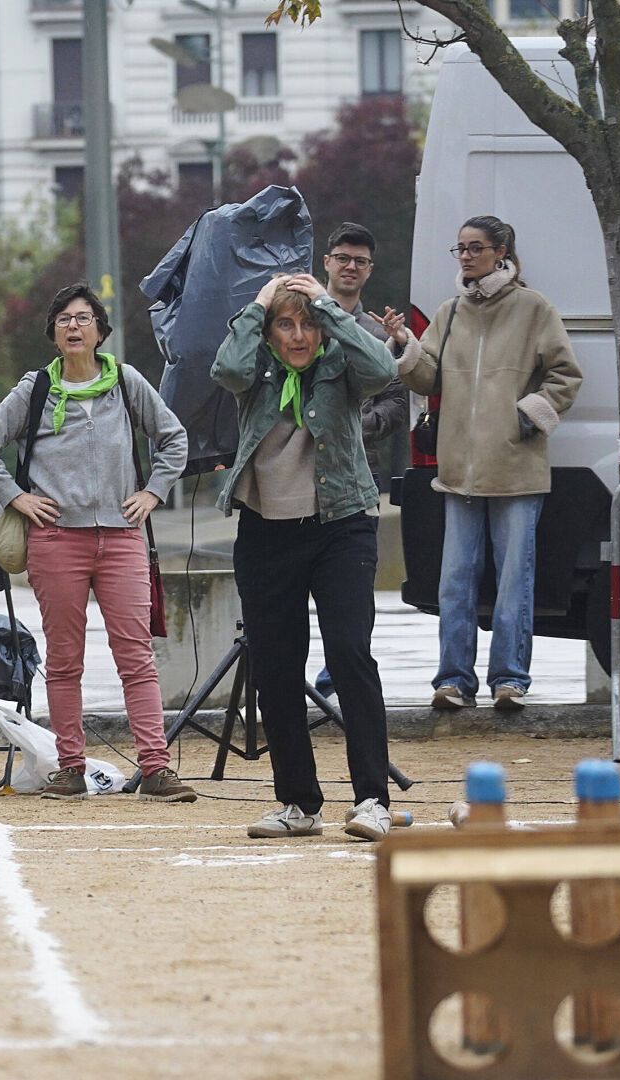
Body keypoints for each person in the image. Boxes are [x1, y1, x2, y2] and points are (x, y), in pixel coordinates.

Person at [0, 283, 195, 803]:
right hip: (55, 540)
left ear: (100, 331)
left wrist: (154, 491)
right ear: (52, 332)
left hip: (122, 537)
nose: (74, 326)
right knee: (65, 659)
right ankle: (69, 766)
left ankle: (156, 767)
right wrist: (17, 497)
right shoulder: (35, 389)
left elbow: (174, 437)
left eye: (84, 318)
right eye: (64, 319)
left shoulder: (127, 382)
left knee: (136, 655)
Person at [212, 273, 399, 841]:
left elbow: (383, 369)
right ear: (269, 332)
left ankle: (372, 800)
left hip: (341, 525)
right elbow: (227, 368)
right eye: (286, 325)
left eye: (308, 325)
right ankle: (298, 803)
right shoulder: (256, 370)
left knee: (349, 653)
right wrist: (259, 302)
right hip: (266, 532)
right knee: (275, 667)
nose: (299, 336)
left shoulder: (341, 363)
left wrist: (328, 305)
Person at [382, 215, 582, 713]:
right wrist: (405, 344)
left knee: (516, 582)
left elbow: (565, 375)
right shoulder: (449, 312)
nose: (466, 257)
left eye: (475, 248)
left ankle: (510, 679)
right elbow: (426, 379)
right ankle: (453, 680)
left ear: (501, 252)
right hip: (458, 474)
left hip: (517, 471)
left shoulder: (534, 308)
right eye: (461, 249)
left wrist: (527, 416)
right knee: (454, 583)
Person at [313, 223, 410, 699]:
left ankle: (343, 675)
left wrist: (357, 424)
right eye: (343, 258)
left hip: (358, 477)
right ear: (326, 262)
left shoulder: (377, 334)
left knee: (352, 588)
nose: (350, 267)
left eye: (360, 261)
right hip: (299, 476)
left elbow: (397, 404)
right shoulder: (300, 323)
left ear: (370, 270)